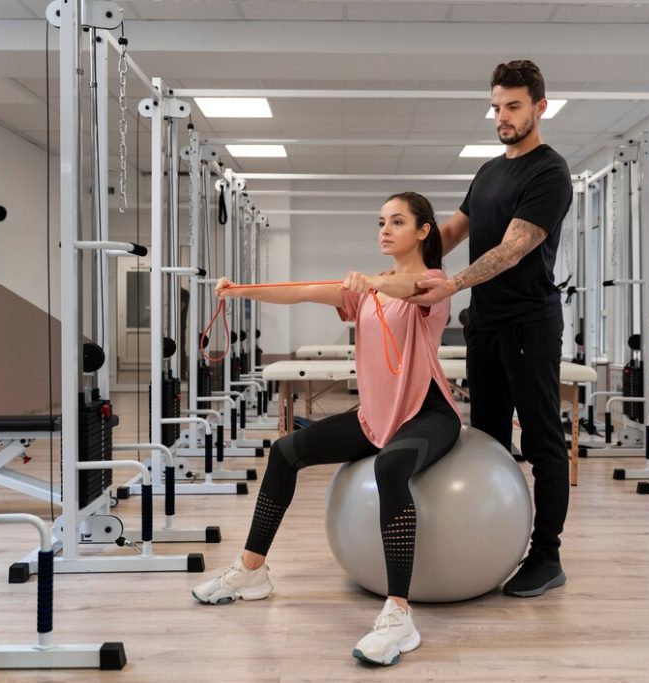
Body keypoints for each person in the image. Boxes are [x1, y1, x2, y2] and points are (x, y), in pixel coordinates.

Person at [192, 192, 462, 667]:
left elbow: (410, 289)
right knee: (284, 451)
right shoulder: (365, 290)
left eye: (397, 221)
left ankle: (399, 614)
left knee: (391, 466)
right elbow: (299, 291)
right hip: (374, 417)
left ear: (423, 231)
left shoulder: (433, 283)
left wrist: (377, 284)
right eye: (380, 221)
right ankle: (252, 571)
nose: (385, 229)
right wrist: (241, 291)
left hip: (428, 413)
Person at [410, 60, 574, 598]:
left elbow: (514, 246)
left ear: (539, 107)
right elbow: (458, 229)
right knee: (489, 437)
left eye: (513, 106)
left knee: (544, 439)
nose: (502, 117)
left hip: (530, 322)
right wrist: (408, 261)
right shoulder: (487, 171)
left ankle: (545, 554)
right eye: (497, 107)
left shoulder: (549, 172)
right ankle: (492, 540)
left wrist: (451, 285)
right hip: (485, 324)